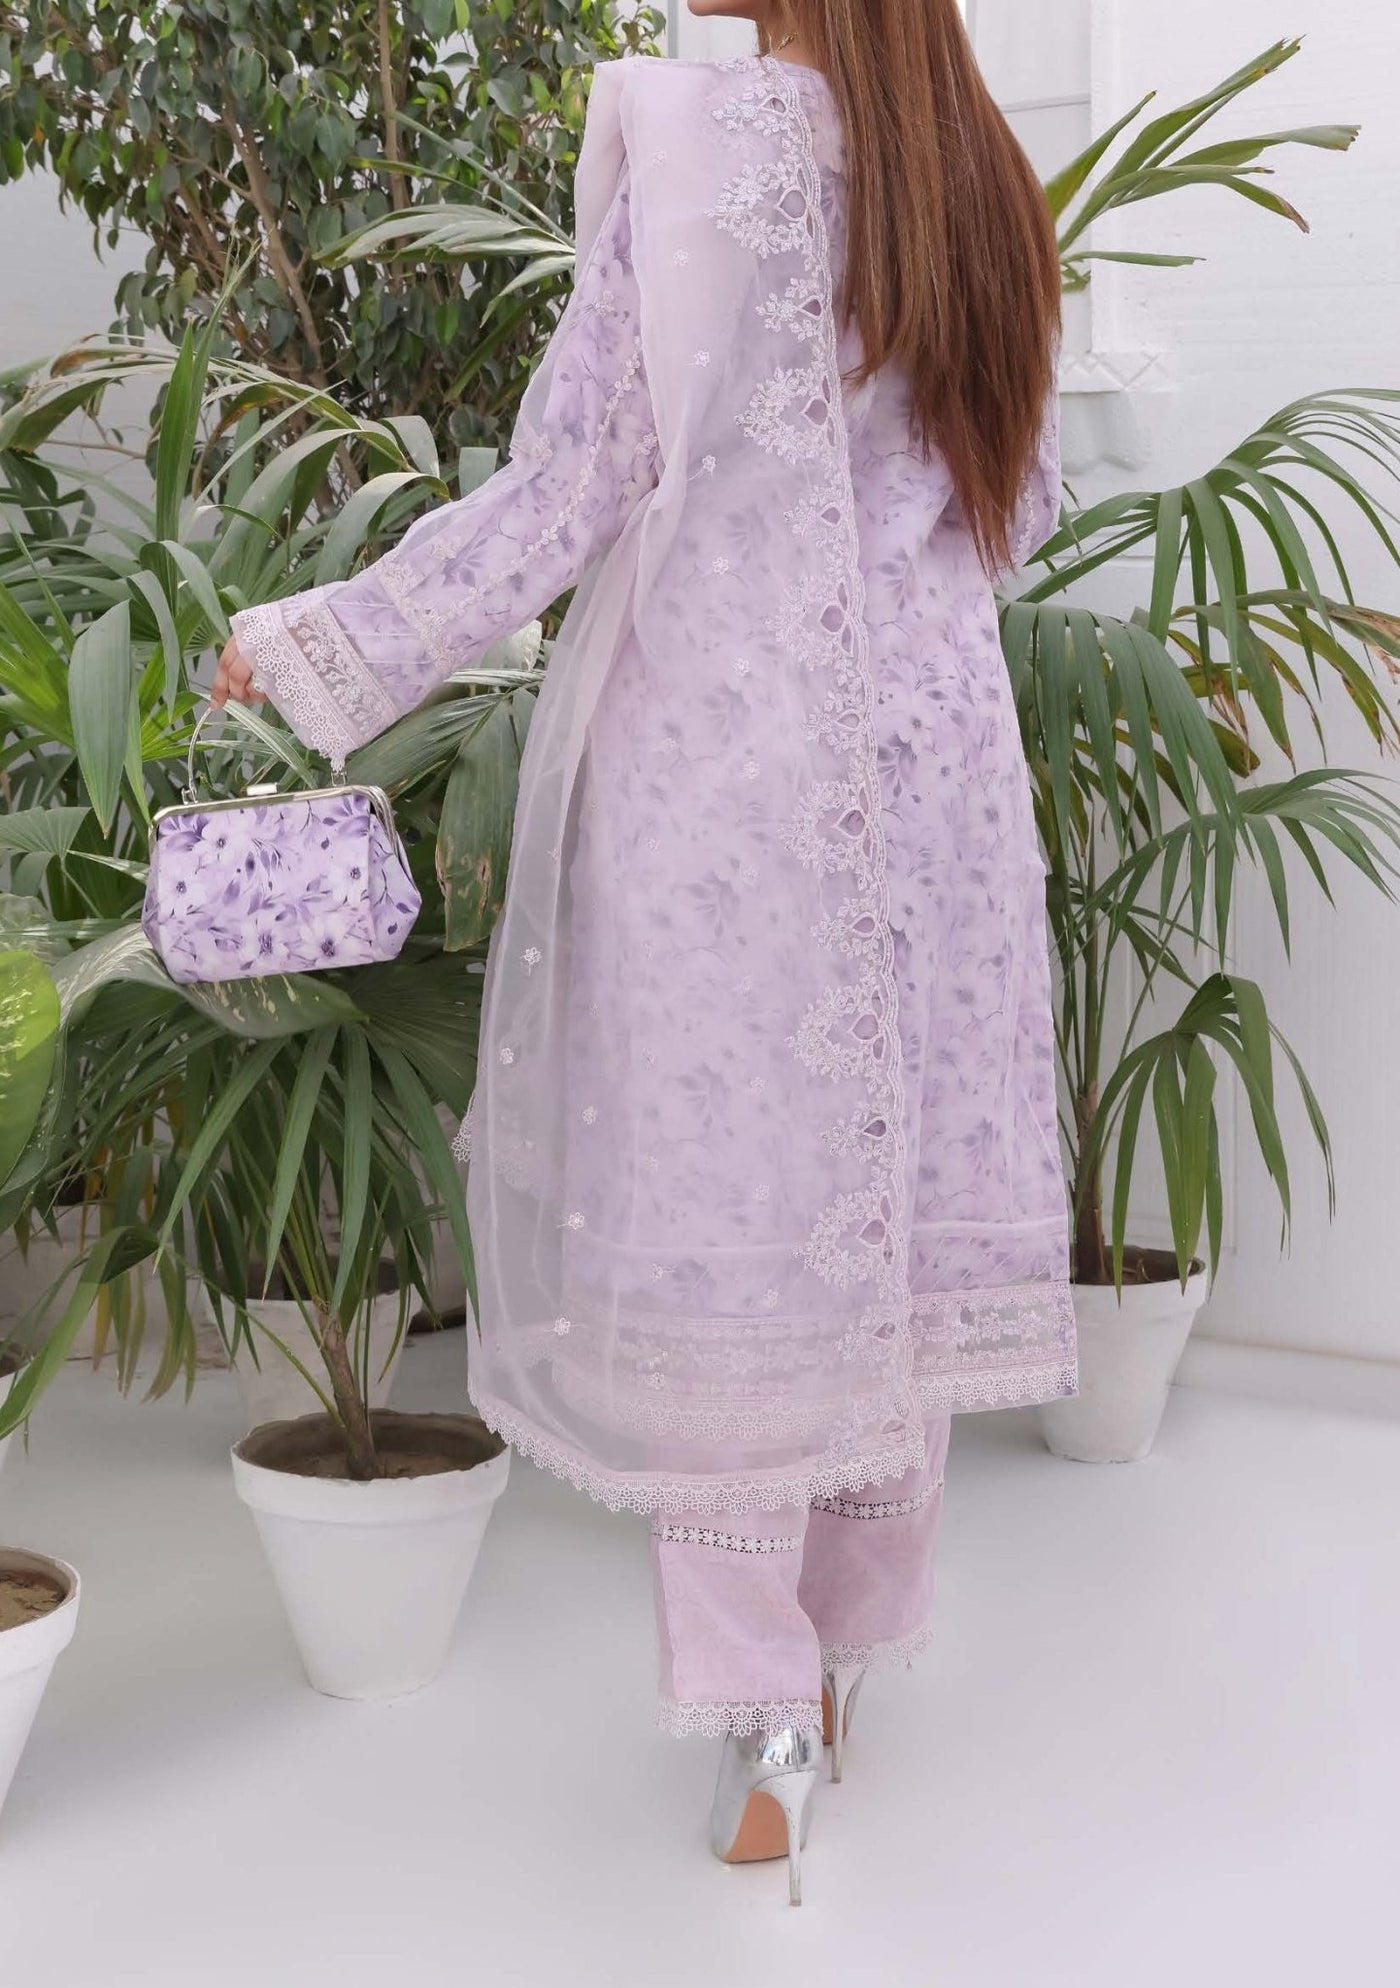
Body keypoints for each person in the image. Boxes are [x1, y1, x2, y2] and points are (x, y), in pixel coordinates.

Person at [214, 0, 1073, 1904]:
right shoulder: (982, 176)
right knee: (886, 1225)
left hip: (732, 788)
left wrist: (317, 647)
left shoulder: (700, 142)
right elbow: (1012, 504)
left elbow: (574, 480)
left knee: (730, 1240)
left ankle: (766, 1718)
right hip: (939, 777)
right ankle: (837, 1664)